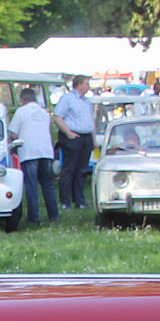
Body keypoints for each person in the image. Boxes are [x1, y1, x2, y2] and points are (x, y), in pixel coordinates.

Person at [10, 88, 59, 227]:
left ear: (23, 99)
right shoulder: (44, 113)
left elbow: (13, 133)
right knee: (48, 184)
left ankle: (34, 217)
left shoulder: (21, 111)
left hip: (29, 152)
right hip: (46, 151)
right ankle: (54, 215)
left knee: (31, 185)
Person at [53, 75, 95, 208]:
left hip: (86, 137)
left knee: (82, 170)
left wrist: (93, 139)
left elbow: (90, 121)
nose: (89, 87)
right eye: (87, 84)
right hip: (73, 137)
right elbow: (58, 116)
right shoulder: (68, 99)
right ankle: (65, 201)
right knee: (69, 170)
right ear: (79, 85)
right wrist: (68, 133)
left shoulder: (87, 101)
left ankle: (80, 200)